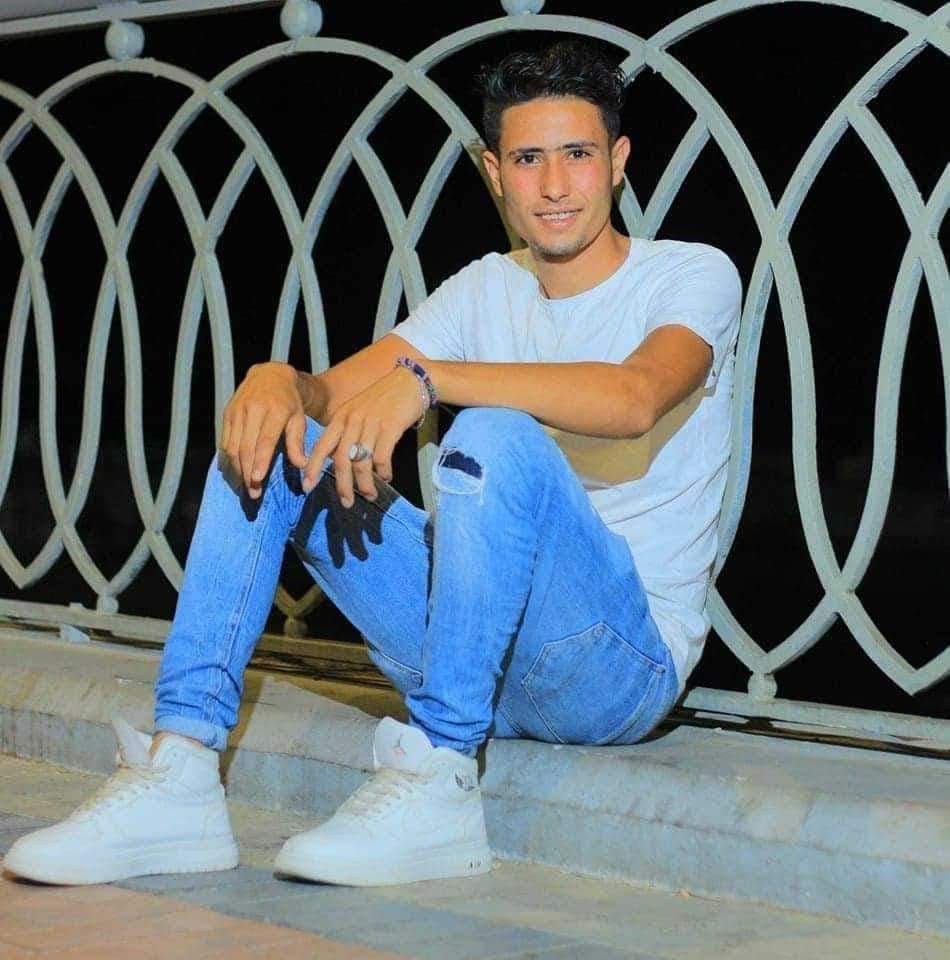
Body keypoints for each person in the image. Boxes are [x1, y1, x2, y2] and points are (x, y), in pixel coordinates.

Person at [3, 40, 741, 888]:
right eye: (527, 159)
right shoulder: (485, 288)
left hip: (613, 669)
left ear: (617, 162)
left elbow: (635, 397)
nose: (553, 185)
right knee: (273, 446)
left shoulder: (689, 275)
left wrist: (430, 380)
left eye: (577, 154)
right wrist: (279, 380)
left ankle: (440, 778)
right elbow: (329, 393)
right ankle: (181, 771)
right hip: (467, 646)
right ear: (494, 172)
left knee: (493, 436)